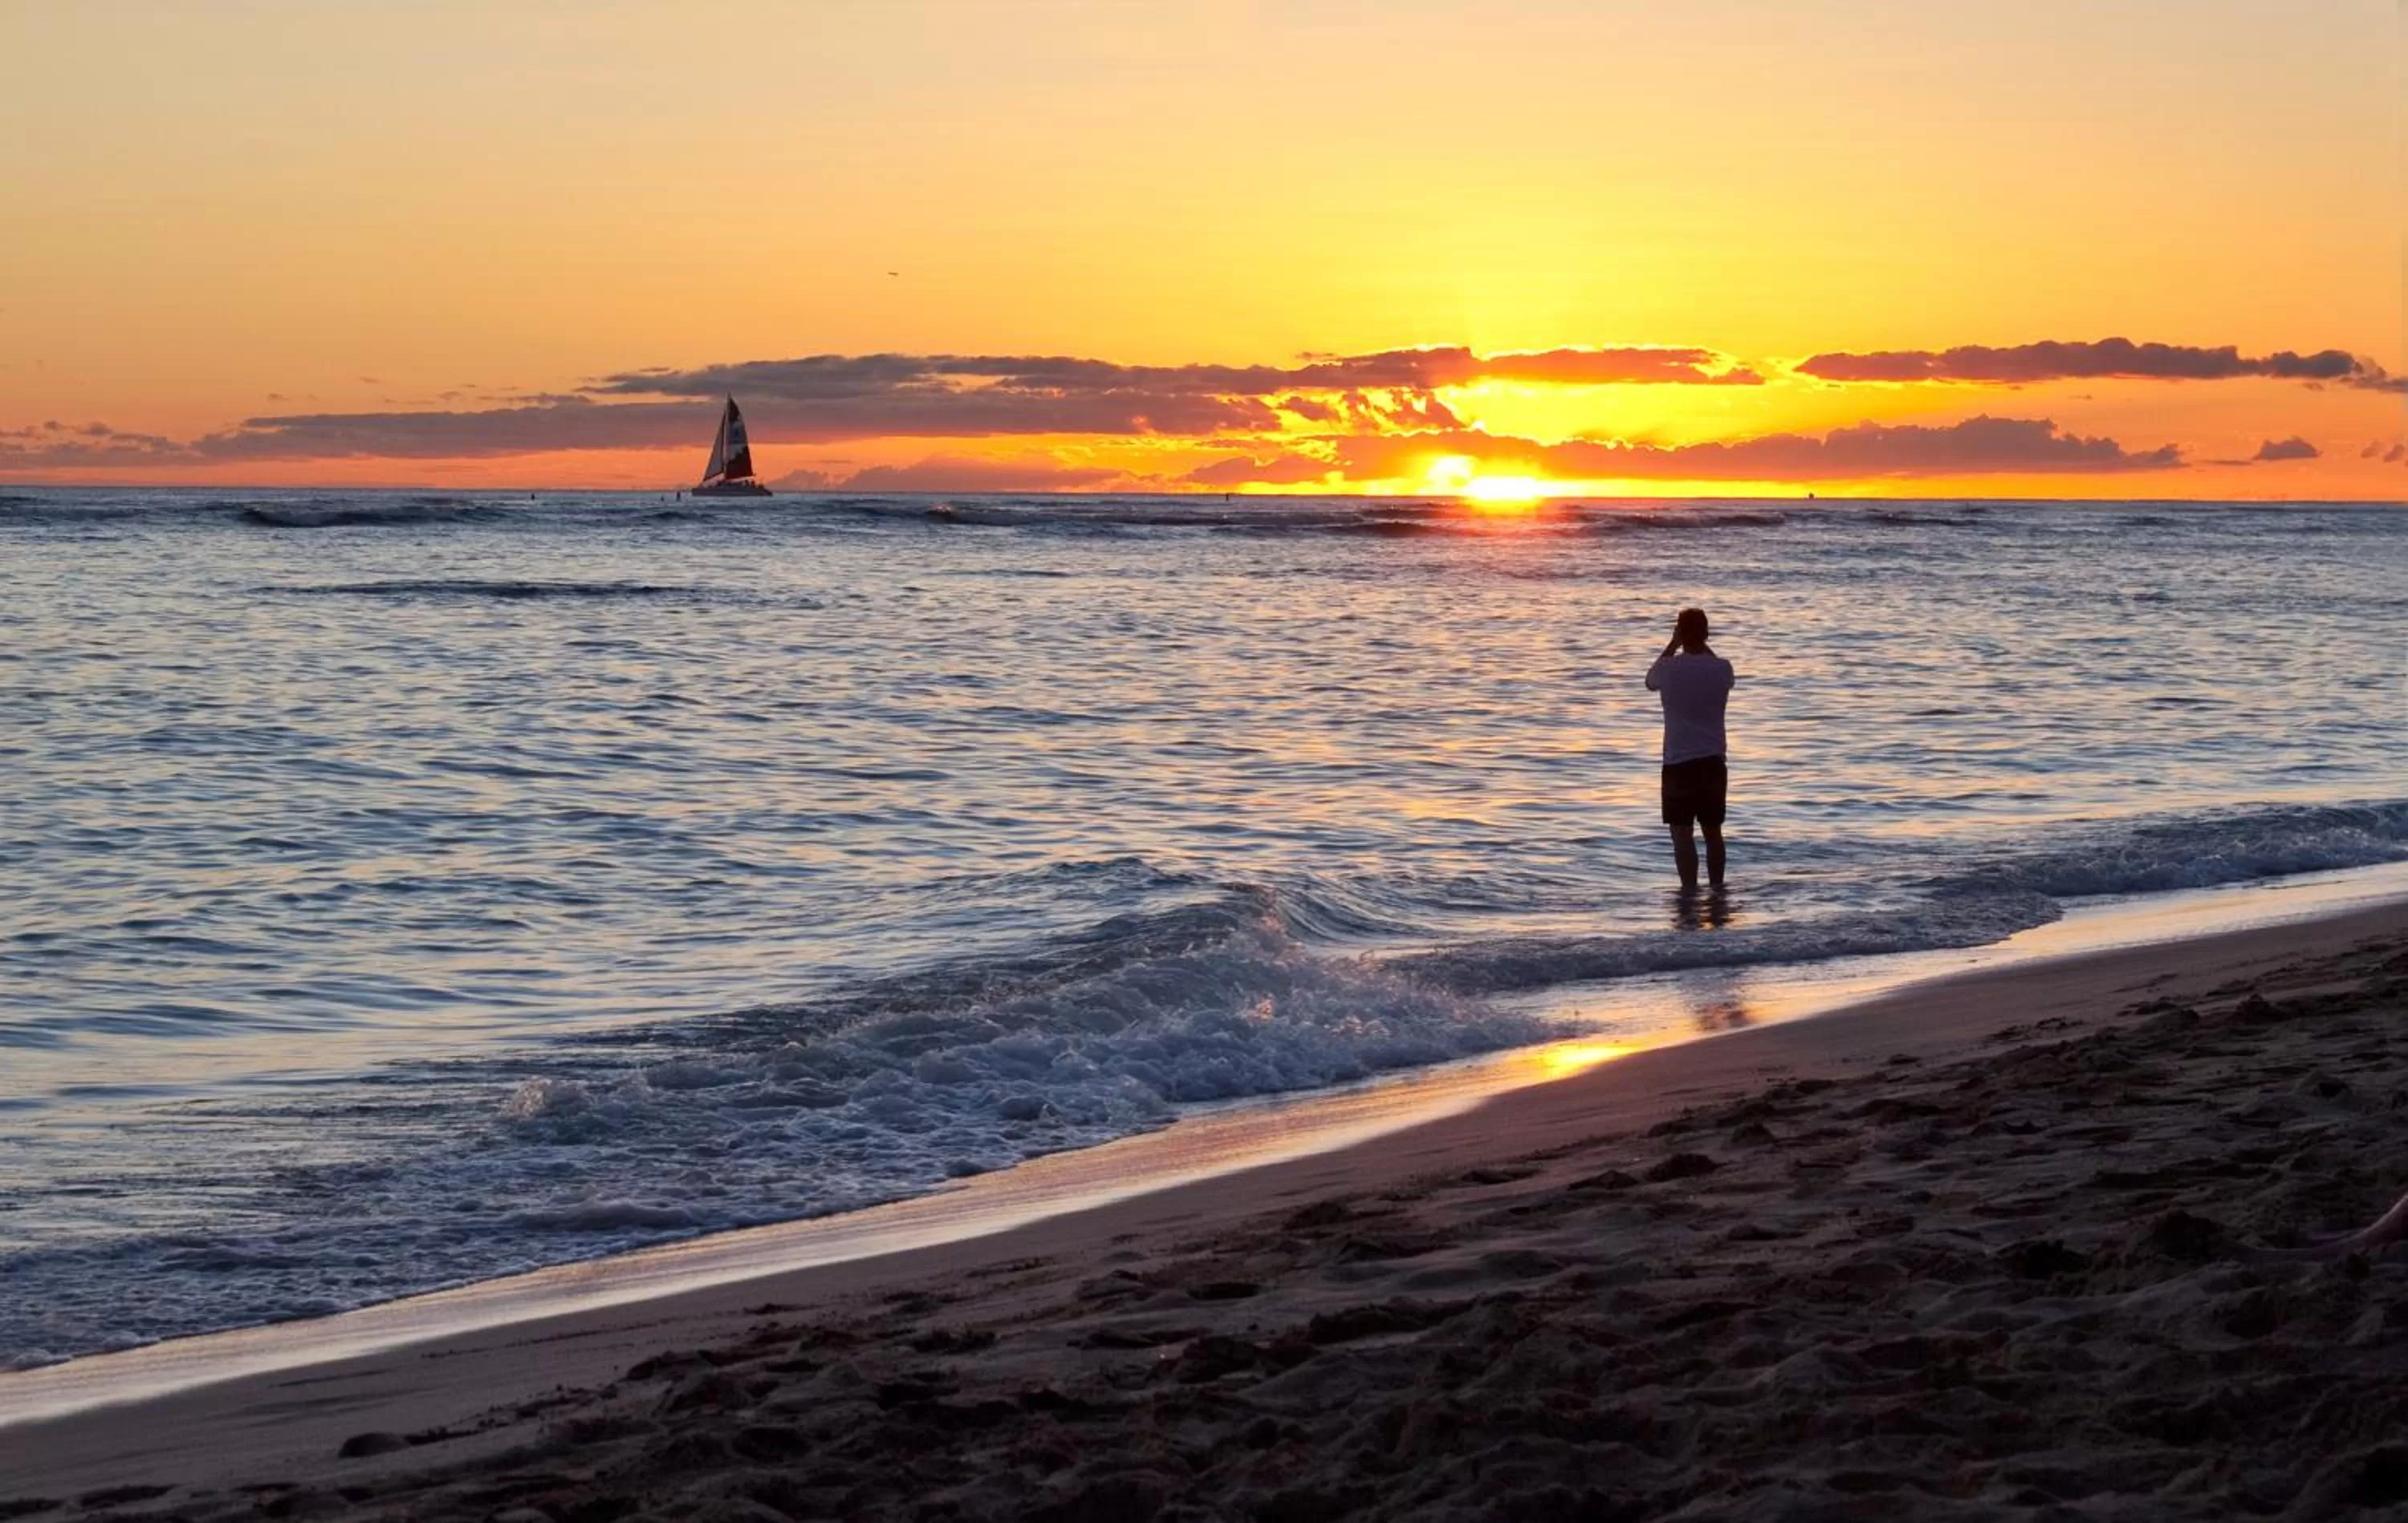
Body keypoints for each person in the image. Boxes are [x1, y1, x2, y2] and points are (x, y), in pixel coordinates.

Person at [1645, 607, 1735, 891]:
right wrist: (1694, 641)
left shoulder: (1668, 670)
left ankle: (1689, 894)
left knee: (1681, 835)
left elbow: (1649, 682)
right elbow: (1713, 663)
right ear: (1707, 633)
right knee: (1713, 833)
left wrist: (1673, 643)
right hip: (1712, 761)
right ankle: (1717, 891)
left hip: (1678, 762)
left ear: (1680, 633)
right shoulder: (1723, 669)